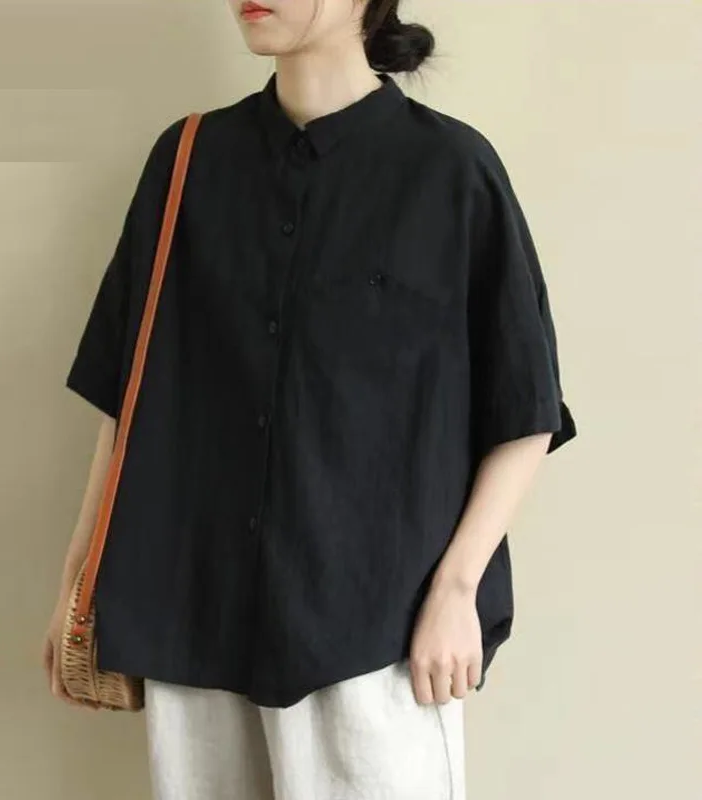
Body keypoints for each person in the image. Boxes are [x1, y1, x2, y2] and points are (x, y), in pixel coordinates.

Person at [43, 0, 577, 797]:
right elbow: (129, 398)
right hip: (197, 621)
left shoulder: (450, 170)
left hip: (378, 634)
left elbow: (524, 409)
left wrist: (456, 591)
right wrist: (77, 582)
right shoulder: (188, 161)